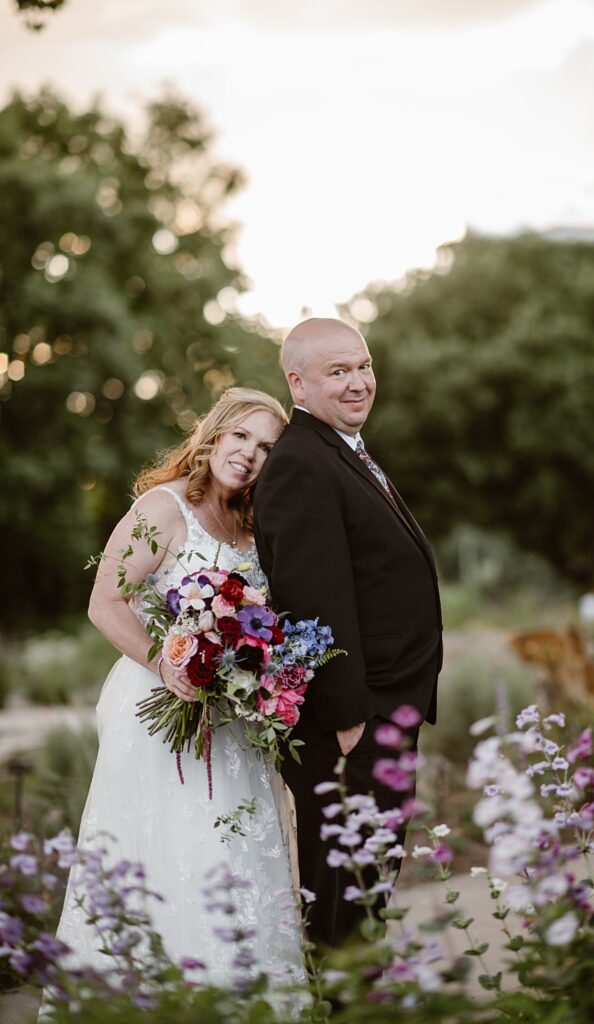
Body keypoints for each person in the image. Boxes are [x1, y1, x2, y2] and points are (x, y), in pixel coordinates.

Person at [50, 387, 305, 989]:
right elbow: (104, 601)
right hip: (159, 712)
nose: (248, 454)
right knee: (167, 848)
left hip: (234, 724)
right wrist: (166, 664)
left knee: (233, 854)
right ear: (213, 433)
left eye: (266, 446)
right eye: (241, 435)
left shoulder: (254, 524)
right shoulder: (162, 509)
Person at [253, 318, 442, 947]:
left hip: (384, 707)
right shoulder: (302, 462)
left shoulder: (340, 449)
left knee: (370, 892)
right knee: (345, 906)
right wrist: (345, 716)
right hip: (352, 721)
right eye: (340, 372)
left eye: (363, 366)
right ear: (297, 383)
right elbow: (312, 595)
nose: (360, 382)